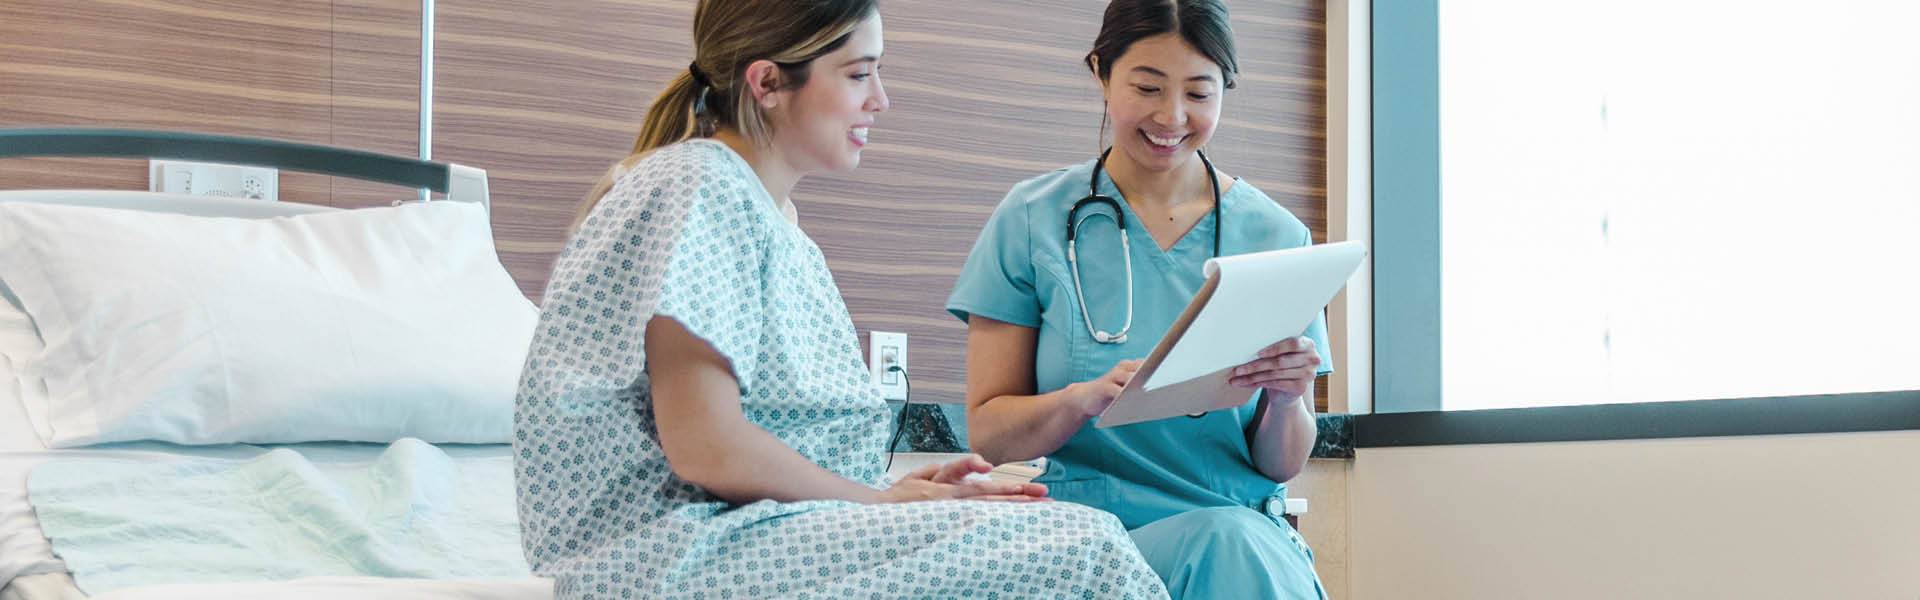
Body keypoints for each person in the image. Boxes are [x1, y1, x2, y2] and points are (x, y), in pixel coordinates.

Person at [511, 1, 1170, 598]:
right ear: (767, 83)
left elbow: (763, 445)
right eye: (859, 74)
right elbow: (705, 445)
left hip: (750, 533)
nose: (880, 100)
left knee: (1046, 531)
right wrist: (876, 507)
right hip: (668, 555)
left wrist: (899, 496)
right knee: (1084, 550)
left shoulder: (776, 223)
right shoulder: (698, 186)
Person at [948, 0, 1332, 598]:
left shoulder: (1277, 238)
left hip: (1236, 529)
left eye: (1199, 94)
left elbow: (1282, 463)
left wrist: (1286, 400)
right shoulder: (1031, 218)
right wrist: (1081, 400)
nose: (1171, 116)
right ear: (1102, 73)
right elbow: (989, 434)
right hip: (1086, 541)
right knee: (1227, 544)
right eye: (1148, 87)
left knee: (1227, 539)